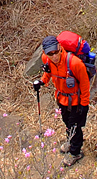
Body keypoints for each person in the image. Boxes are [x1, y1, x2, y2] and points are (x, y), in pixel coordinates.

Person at [32, 35, 90, 166]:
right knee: (67, 122)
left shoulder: (75, 63)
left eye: (55, 52)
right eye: (50, 54)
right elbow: (49, 72)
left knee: (74, 126)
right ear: (45, 53)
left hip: (76, 101)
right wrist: (42, 81)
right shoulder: (47, 59)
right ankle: (71, 141)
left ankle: (75, 152)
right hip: (61, 98)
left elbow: (85, 85)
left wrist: (84, 104)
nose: (54, 56)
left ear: (60, 48)